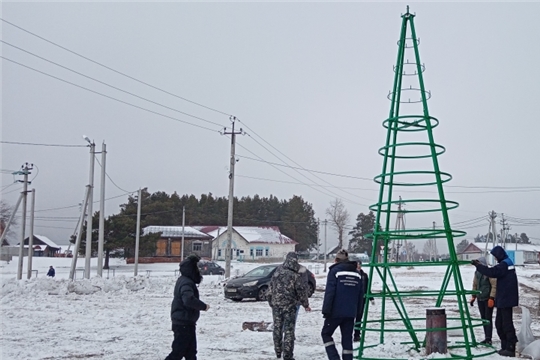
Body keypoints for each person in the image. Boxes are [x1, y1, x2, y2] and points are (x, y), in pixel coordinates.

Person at [472, 246, 518, 357]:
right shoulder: (506, 263)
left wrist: (478, 266)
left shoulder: (504, 265)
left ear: (499, 255)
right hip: (504, 298)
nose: (495, 259)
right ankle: (505, 345)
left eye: (496, 256)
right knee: (499, 323)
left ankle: (510, 347)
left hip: (506, 298)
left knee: (506, 324)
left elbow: (492, 272)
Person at [321, 249, 364, 360]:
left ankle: (334, 357)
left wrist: (326, 310)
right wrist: (358, 312)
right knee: (347, 340)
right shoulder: (357, 274)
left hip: (335, 312)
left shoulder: (334, 271)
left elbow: (330, 292)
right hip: (351, 313)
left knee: (326, 334)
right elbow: (360, 295)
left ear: (336, 260)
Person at [165, 254, 209, 360]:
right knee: (178, 353)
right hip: (183, 323)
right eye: (196, 268)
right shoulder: (186, 282)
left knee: (191, 353)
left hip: (186, 322)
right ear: (192, 269)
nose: (199, 271)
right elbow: (188, 300)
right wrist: (203, 306)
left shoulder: (184, 280)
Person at [268, 252, 311, 360]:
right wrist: (306, 304)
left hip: (276, 305)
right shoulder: (295, 275)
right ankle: (287, 355)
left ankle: (278, 351)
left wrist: (271, 302)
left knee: (277, 328)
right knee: (289, 330)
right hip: (290, 306)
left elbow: (270, 289)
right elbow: (301, 291)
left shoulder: (277, 273)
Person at [469, 256, 497, 345]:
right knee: (483, 318)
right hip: (480, 298)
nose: (478, 265)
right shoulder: (477, 273)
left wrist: (492, 297)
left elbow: (494, 285)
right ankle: (486, 337)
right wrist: (474, 295)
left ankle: (489, 338)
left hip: (487, 299)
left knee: (488, 318)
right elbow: (475, 284)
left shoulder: (488, 273)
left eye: (479, 263)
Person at [353, 260, 374, 342]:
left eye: (360, 264)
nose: (359, 266)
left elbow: (367, 287)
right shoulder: (353, 274)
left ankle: (357, 335)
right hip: (353, 299)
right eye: (357, 264)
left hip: (362, 299)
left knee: (359, 317)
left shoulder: (364, 275)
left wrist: (371, 298)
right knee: (351, 318)